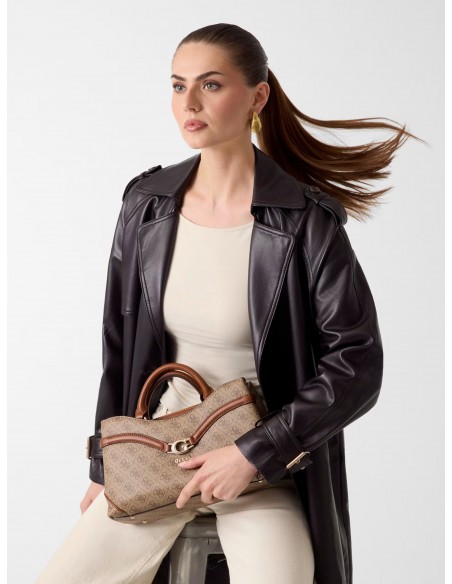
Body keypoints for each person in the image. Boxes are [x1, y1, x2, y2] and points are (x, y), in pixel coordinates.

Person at [36, 22, 418, 584]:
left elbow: (357, 364)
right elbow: (118, 349)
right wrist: (104, 466)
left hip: (262, 467)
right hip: (158, 457)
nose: (188, 102)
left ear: (257, 97)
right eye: (177, 85)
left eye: (210, 85)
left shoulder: (306, 223)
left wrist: (253, 452)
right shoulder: (146, 206)